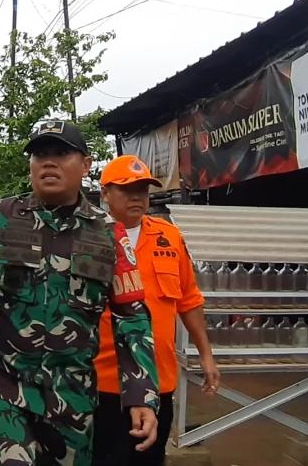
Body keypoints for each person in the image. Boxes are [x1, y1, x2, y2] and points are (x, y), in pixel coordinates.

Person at [0, 119, 160, 466]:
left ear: (86, 165)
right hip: (3, 383)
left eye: (61, 153)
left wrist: (141, 395)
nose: (48, 162)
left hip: (72, 394)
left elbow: (132, 317)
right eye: (39, 154)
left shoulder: (110, 236)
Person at [93, 155, 219, 466]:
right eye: (127, 189)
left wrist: (205, 354)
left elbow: (188, 299)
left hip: (158, 382)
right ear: (105, 193)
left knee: (148, 459)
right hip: (100, 383)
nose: (137, 197)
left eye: (143, 190)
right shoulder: (88, 238)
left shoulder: (169, 237)